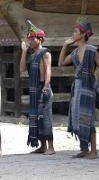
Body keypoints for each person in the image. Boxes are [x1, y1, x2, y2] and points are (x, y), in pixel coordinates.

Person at [58, 17, 99, 159]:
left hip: (88, 88)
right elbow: (61, 63)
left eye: (75, 32)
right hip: (77, 87)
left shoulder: (92, 50)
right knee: (76, 117)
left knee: (88, 117)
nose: (73, 34)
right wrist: (65, 45)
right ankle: (84, 148)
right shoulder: (74, 53)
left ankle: (94, 151)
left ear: (83, 34)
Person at [19, 20, 55, 155]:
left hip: (43, 88)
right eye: (29, 38)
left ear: (40, 39)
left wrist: (46, 85)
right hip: (34, 91)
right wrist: (24, 51)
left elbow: (48, 70)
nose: (30, 40)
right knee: (36, 118)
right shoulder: (31, 56)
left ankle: (51, 147)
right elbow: (22, 69)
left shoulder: (45, 53)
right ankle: (42, 146)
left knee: (46, 118)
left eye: (33, 38)